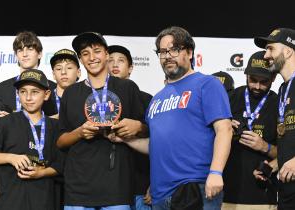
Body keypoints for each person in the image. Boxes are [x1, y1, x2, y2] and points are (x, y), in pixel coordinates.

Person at [108, 26, 233, 210]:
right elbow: (155, 145)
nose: (167, 56)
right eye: (162, 51)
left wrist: (216, 172)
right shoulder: (156, 99)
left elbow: (224, 130)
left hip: (195, 187)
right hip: (160, 195)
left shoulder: (207, 84)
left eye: (174, 49)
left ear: (189, 52)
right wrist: (126, 140)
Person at [56, 32, 147, 210]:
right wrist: (79, 132)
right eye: (85, 53)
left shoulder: (127, 88)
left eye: (96, 51)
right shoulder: (71, 93)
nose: (92, 57)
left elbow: (148, 130)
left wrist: (137, 126)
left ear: (106, 54)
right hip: (78, 190)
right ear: (81, 60)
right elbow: (60, 141)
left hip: (117, 188)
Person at [0, 69, 63, 210]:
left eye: (35, 92)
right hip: (10, 201)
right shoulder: (6, 123)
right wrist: (10, 157)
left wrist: (42, 172)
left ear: (46, 95)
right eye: (23, 92)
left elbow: (62, 164)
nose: (28, 97)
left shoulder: (56, 127)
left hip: (45, 200)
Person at [222, 50, 278, 210]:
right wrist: (222, 131)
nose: (257, 86)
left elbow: (288, 155)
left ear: (273, 78)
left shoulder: (279, 104)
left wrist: (264, 147)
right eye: (253, 80)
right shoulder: (229, 99)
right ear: (246, 74)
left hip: (264, 198)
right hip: (226, 194)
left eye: (264, 81)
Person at [254, 27, 295, 210]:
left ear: (288, 51)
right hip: (287, 192)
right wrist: (273, 166)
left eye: (271, 48)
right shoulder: (282, 89)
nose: (265, 55)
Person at [108, 45, 152, 209]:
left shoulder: (147, 99)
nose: (114, 65)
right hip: (108, 189)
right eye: (110, 60)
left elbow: (159, 143)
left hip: (141, 186)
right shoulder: (94, 102)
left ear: (130, 68)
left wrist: (154, 182)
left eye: (120, 60)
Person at [0, 31, 57, 117]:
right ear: (16, 55)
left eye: (30, 49)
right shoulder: (2, 89)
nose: (24, 54)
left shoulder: (53, 88)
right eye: (20, 50)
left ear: (39, 54)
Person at [50, 48, 81, 118]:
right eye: (58, 69)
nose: (63, 72)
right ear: (53, 74)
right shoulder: (45, 100)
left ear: (78, 72)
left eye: (69, 68)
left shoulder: (87, 98)